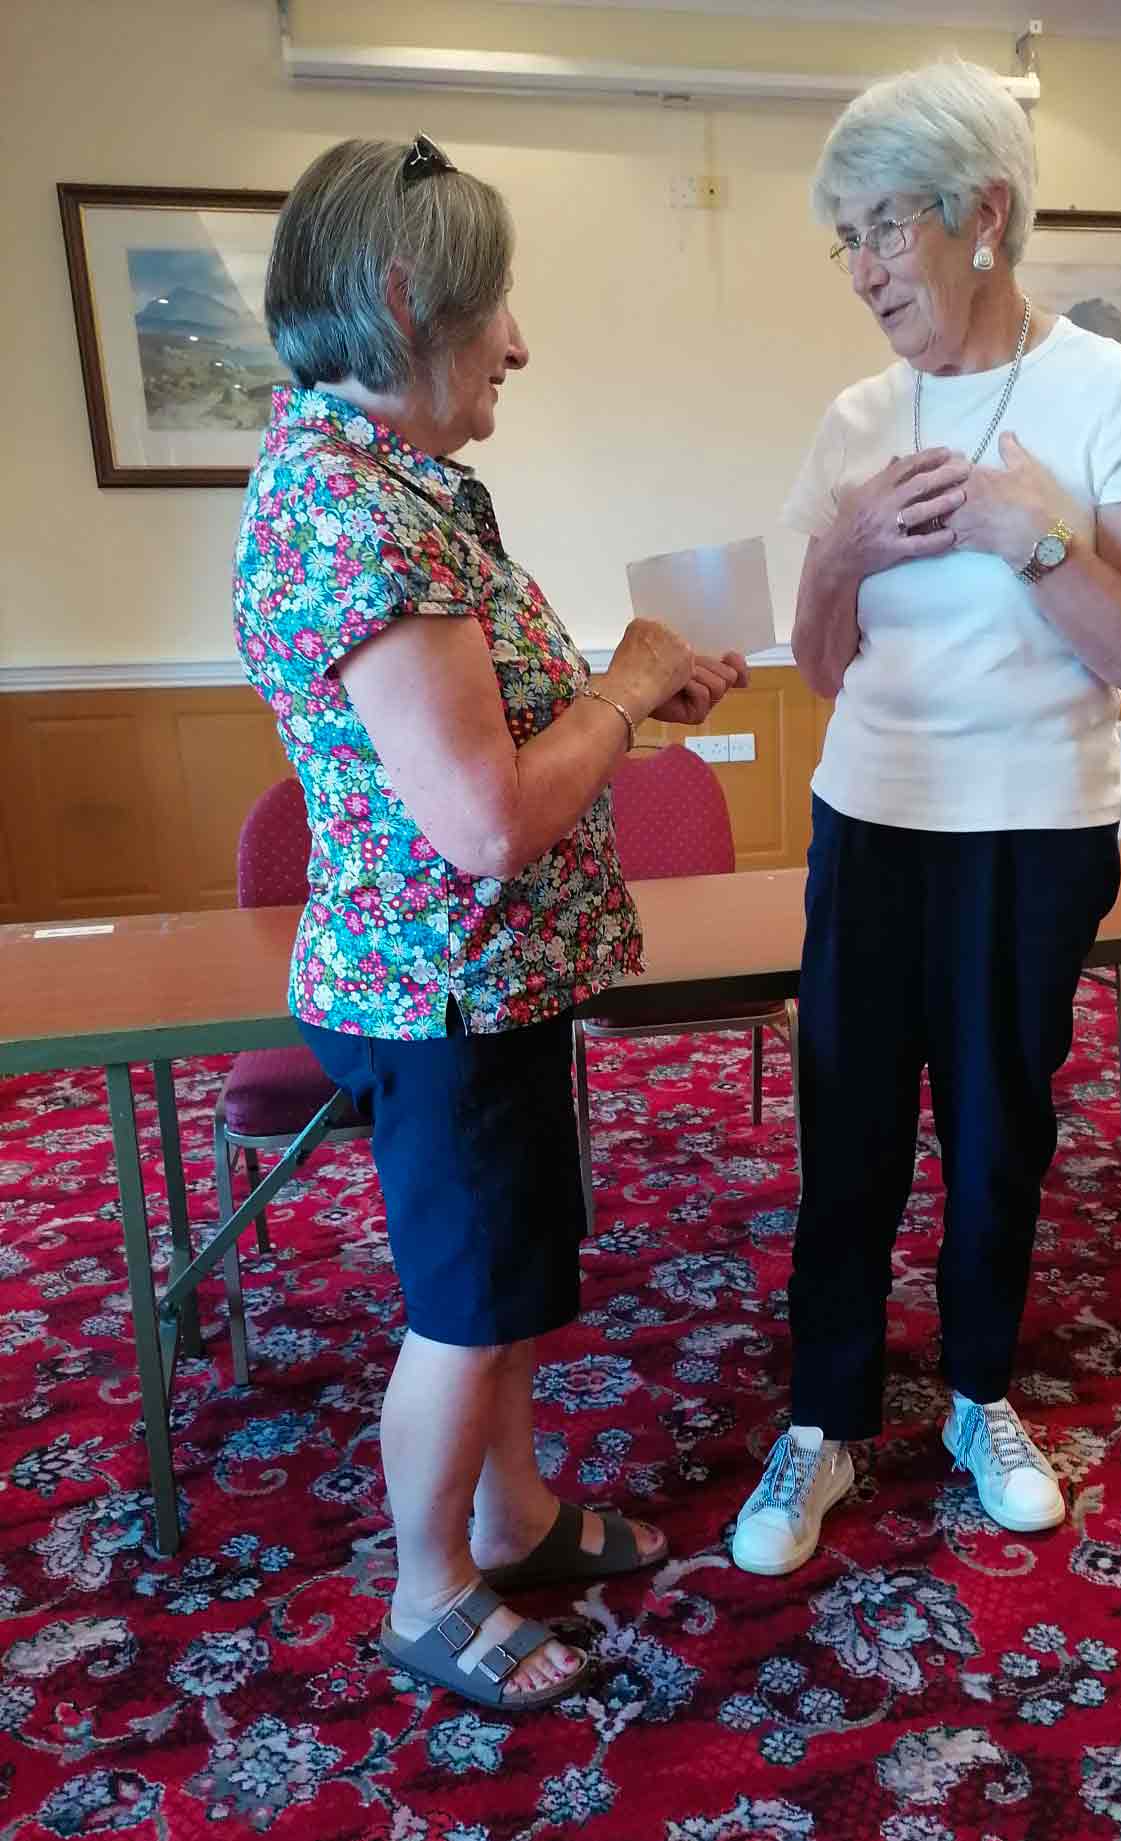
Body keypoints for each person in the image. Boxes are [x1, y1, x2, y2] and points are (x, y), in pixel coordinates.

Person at [234, 134, 748, 1710]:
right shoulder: (361, 513)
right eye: (496, 308)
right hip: (438, 990)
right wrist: (621, 680)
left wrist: (641, 699)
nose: (517, 342)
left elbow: (493, 756)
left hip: (477, 981)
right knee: (462, 1310)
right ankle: (430, 1586)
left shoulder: (390, 482)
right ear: (405, 302)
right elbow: (482, 824)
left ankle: (511, 1516)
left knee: (512, 1275)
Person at [732, 60, 1121, 1575]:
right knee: (847, 1132)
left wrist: (1037, 533)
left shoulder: (1114, 390)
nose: (863, 271)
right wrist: (843, 553)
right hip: (871, 814)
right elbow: (815, 660)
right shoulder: (854, 415)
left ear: (982, 215)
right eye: (845, 239)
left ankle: (982, 1393)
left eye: (883, 228)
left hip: (1036, 827)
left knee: (999, 1132)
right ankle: (827, 1418)